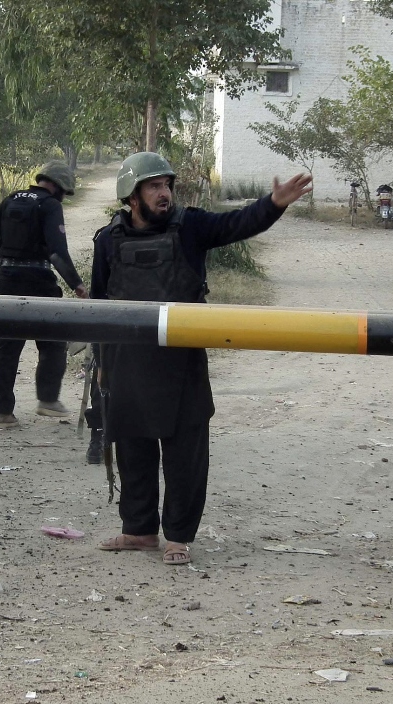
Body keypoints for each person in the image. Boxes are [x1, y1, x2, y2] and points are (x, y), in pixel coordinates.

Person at [91, 152, 313, 565]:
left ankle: (177, 536)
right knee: (133, 448)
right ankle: (138, 531)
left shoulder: (190, 226)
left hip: (182, 361)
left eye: (167, 185)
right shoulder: (108, 240)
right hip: (127, 362)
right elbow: (100, 305)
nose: (165, 193)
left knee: (184, 453)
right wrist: (102, 363)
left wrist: (274, 203)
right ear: (132, 195)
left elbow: (236, 224)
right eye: (154, 186)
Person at [0, 160, 88, 428]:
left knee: (6, 346)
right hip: (38, 282)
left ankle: (0, 412)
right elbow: (57, 251)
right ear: (59, 186)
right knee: (53, 340)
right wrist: (77, 285)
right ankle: (48, 400)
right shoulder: (50, 205)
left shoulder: (11, 199)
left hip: (5, 281)